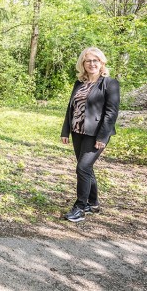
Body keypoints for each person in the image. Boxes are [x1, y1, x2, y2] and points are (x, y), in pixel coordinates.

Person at [61, 47, 120, 222]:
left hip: (97, 134)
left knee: (82, 168)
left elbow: (111, 113)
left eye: (96, 60)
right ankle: (93, 202)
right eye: (88, 61)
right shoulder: (79, 83)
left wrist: (103, 137)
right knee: (86, 168)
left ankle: (80, 207)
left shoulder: (110, 83)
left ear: (102, 63)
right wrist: (65, 131)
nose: (92, 64)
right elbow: (70, 108)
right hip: (78, 131)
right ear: (83, 64)